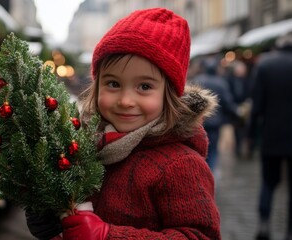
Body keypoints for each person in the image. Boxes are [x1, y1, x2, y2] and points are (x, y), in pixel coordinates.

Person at [26, 8, 221, 239]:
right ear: (96, 87)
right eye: (113, 84)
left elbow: (199, 235)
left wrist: (108, 235)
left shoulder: (181, 165)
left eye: (145, 87)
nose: (126, 101)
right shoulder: (86, 144)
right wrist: (50, 220)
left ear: (168, 94)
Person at [248, 31, 292, 240]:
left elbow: (256, 106)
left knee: (268, 183)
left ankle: (264, 224)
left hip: (271, 135)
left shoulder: (265, 65)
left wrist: (249, 136)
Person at [191, 56, 240, 173]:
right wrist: (236, 113)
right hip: (215, 123)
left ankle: (200, 172)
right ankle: (209, 174)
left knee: (199, 149)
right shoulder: (221, 83)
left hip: (198, 122)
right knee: (212, 151)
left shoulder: (197, 80)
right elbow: (228, 102)